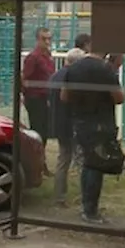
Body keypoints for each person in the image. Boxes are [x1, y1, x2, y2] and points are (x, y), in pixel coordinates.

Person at [61, 49, 125, 224]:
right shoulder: (106, 70)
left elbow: (64, 96)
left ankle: (87, 205)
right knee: (96, 166)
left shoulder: (73, 68)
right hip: (101, 123)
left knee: (88, 163)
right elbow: (119, 98)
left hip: (81, 122)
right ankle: (91, 210)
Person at [47, 48, 85, 207]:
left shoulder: (54, 77)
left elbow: (49, 100)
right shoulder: (75, 78)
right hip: (74, 125)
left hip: (59, 124)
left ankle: (59, 197)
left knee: (63, 160)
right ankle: (86, 197)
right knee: (82, 161)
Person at [21, 27, 56, 146]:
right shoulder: (33, 57)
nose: (47, 42)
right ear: (37, 39)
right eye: (44, 39)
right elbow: (24, 77)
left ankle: (41, 156)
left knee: (45, 130)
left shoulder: (48, 56)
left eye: (49, 39)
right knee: (38, 130)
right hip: (35, 98)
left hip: (46, 98)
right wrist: (24, 96)